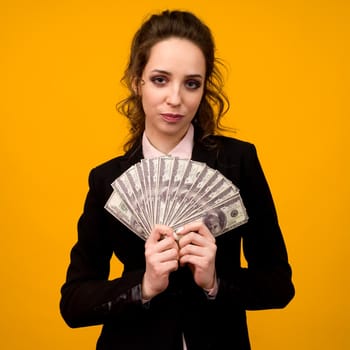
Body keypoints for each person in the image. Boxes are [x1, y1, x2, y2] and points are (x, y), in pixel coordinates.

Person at [60, 9, 295, 350]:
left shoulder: (237, 163)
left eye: (191, 83)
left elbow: (278, 285)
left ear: (203, 89)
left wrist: (215, 281)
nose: (175, 99)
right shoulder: (107, 180)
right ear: (136, 81)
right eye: (160, 79)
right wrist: (144, 285)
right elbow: (74, 303)